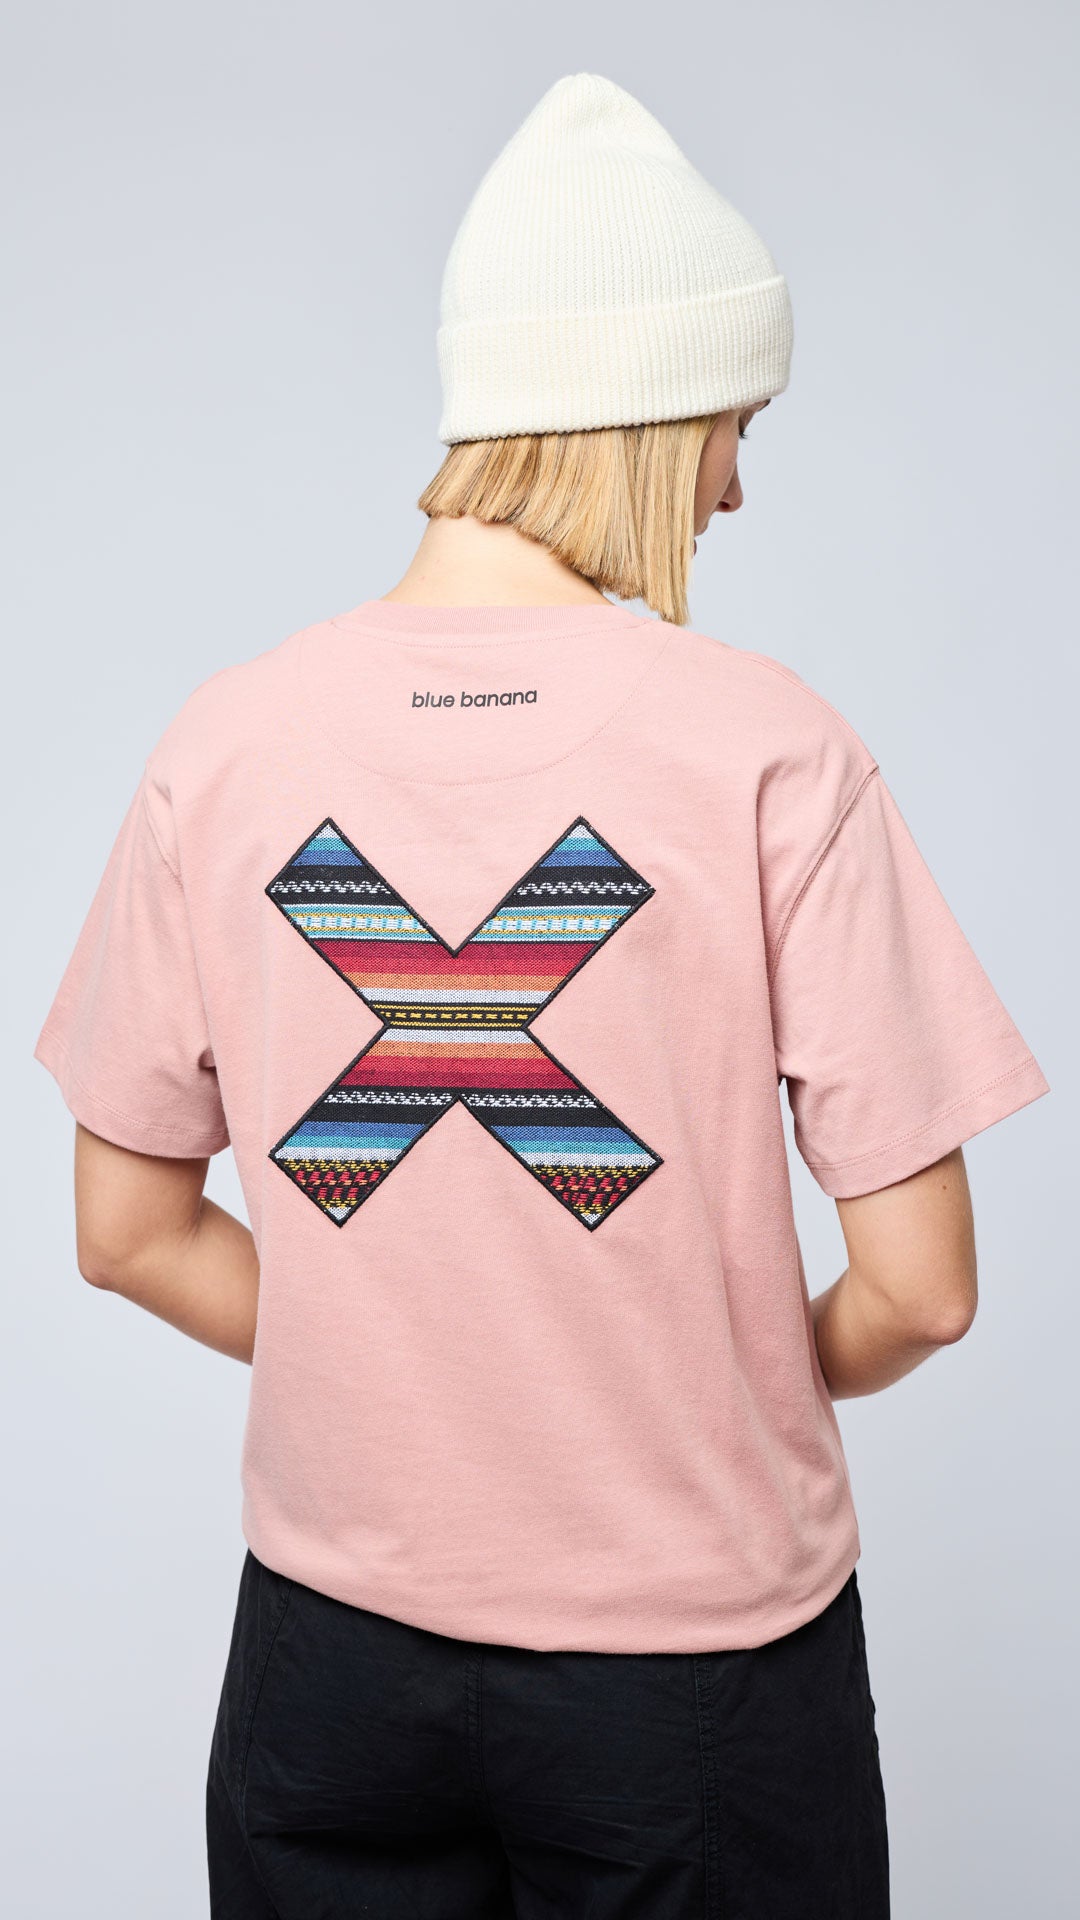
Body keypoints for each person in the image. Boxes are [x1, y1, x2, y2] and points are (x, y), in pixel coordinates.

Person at [34, 72, 1049, 1920]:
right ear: (647, 409)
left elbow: (124, 1232)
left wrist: (409, 1363)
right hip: (695, 1681)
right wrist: (692, 1374)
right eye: (733, 424)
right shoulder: (771, 752)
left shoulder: (222, 747)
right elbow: (924, 1289)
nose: (736, 482)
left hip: (323, 1668)